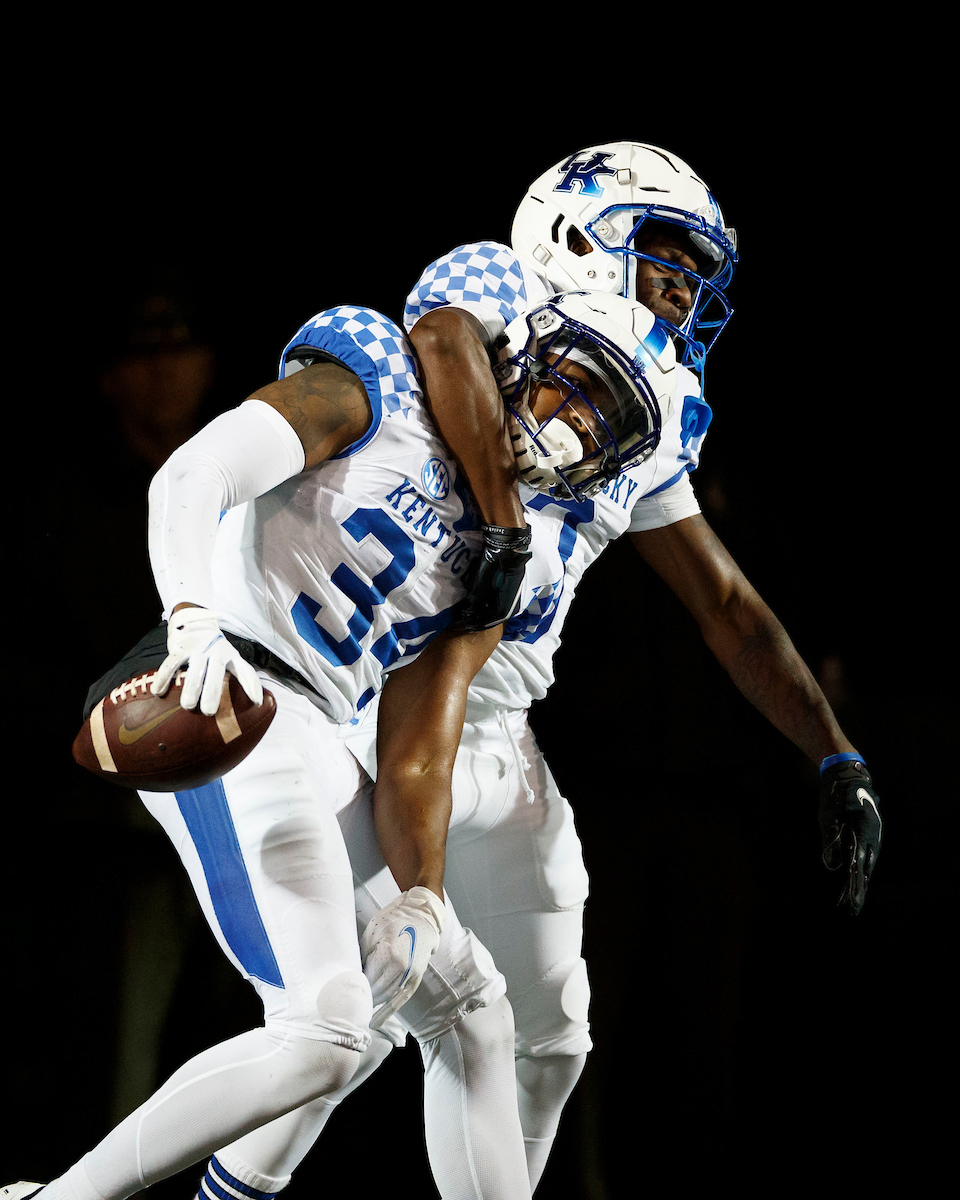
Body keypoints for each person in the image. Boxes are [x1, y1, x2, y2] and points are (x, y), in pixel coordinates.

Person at [164, 141, 882, 1197]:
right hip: (392, 697)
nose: (685, 290)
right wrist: (502, 519)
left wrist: (835, 753)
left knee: (550, 1034)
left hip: (503, 730)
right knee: (350, 1023)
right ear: (581, 232)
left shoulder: (648, 407)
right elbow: (444, 338)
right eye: (668, 255)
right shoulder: (499, 290)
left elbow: (728, 606)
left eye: (699, 271)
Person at [5, 291, 673, 1200]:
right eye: (582, 391)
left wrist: (425, 895)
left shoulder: (508, 544)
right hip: (218, 683)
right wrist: (193, 617)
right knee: (323, 1031)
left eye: (610, 427)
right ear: (519, 354)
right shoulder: (378, 382)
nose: (582, 432)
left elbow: (416, 733)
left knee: (472, 1010)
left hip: (321, 728)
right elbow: (188, 479)